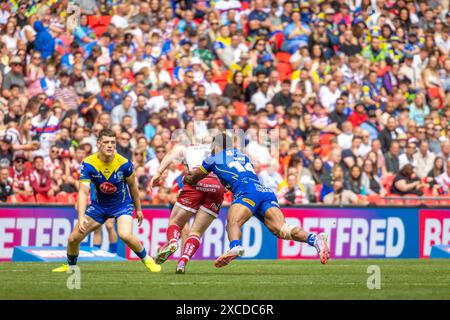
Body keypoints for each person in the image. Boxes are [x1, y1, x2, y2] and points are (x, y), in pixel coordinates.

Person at [184, 133, 329, 268]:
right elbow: (238, 173)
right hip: (263, 190)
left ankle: (234, 246)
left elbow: (194, 178)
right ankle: (314, 239)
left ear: (216, 146)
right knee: (282, 229)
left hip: (247, 191)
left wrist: (186, 177)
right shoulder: (242, 155)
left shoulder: (212, 158)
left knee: (233, 222)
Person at [52, 129, 161, 273]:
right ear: (98, 144)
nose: (110, 145)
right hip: (99, 207)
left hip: (122, 205)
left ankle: (147, 259)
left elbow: (133, 187)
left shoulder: (125, 163)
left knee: (125, 234)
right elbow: (83, 191)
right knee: (73, 239)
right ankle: (70, 266)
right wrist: (81, 216)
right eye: (106, 142)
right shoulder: (88, 163)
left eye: (113, 142)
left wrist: (139, 209)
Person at [149, 138, 225, 274]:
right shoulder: (219, 149)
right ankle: (182, 262)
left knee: (175, 222)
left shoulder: (187, 147)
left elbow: (170, 155)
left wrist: (159, 173)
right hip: (217, 186)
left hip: (196, 179)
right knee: (196, 232)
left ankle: (172, 242)